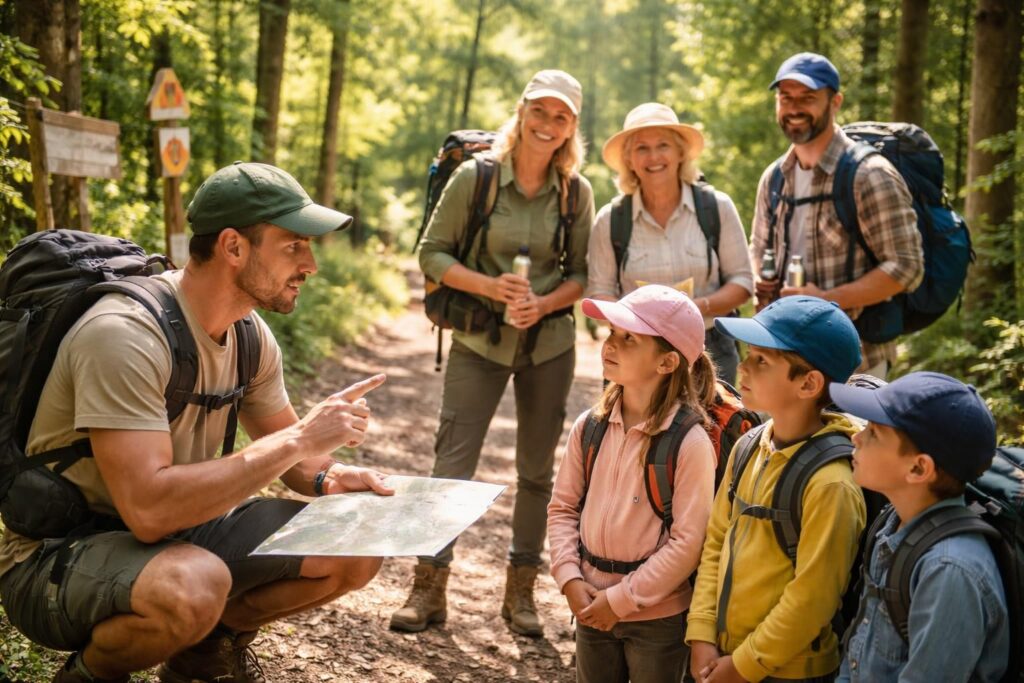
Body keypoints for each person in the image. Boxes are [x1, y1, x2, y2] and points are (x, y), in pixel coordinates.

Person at [0, 162, 395, 683]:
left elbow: (300, 465)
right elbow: (148, 510)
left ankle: (202, 654)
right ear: (234, 247)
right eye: (293, 246)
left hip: (170, 539)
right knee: (195, 583)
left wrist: (333, 477)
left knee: (355, 545)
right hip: (53, 558)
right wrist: (301, 437)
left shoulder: (249, 337)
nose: (311, 265)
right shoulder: (124, 334)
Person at [392, 69, 594, 637]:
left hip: (549, 345)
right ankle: (428, 589)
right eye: (540, 111)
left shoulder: (578, 193)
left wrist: (546, 301)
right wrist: (490, 287)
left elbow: (582, 272)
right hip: (479, 340)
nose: (548, 125)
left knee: (536, 475)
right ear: (522, 110)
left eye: (561, 117)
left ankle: (520, 596)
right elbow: (430, 254)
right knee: (451, 465)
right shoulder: (476, 180)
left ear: (572, 126)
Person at [686, 296, 867, 683]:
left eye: (762, 361)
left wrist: (743, 665)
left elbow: (812, 601)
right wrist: (701, 631)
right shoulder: (750, 444)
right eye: (748, 354)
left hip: (790, 671)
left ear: (809, 383)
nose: (743, 366)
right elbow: (716, 540)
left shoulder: (832, 484)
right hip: (723, 655)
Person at [547, 285, 717, 683]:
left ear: (667, 362)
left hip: (657, 622)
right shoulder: (589, 428)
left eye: (629, 338)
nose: (611, 344)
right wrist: (569, 577)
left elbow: (687, 543)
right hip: (588, 604)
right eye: (610, 333)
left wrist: (621, 601)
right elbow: (562, 508)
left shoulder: (689, 443)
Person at [750, 52, 924, 378]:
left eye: (808, 98)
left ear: (836, 102)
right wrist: (761, 278)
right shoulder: (773, 178)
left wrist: (827, 301)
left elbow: (907, 267)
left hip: (856, 361)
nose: (794, 108)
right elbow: (757, 252)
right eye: (785, 98)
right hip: (783, 359)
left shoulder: (869, 175)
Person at [831, 372, 1009, 682]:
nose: (856, 437)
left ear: (918, 468)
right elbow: (858, 649)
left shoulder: (949, 570)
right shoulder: (893, 522)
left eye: (873, 431)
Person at [588, 102, 754, 385]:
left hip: (710, 348)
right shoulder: (610, 219)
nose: (654, 156)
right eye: (641, 148)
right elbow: (600, 292)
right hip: (633, 353)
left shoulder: (717, 207)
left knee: (712, 429)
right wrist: (637, 325)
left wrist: (693, 308)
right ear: (629, 159)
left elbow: (743, 283)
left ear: (680, 152)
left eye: (663, 145)